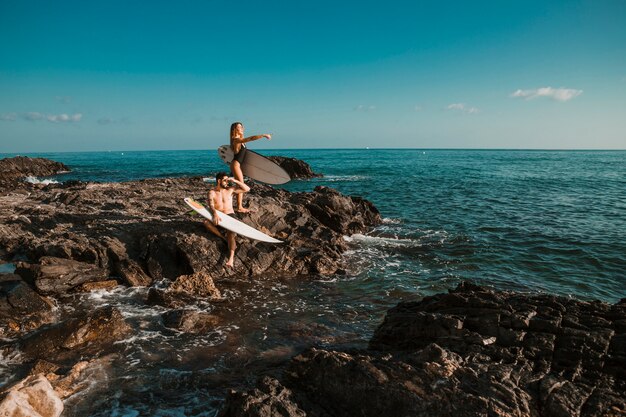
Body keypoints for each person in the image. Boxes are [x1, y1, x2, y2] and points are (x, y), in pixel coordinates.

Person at [204, 172, 250, 267]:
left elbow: (247, 189)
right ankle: (222, 237)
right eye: (225, 180)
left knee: (231, 233)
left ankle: (231, 259)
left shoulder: (231, 190)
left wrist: (235, 180)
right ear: (219, 181)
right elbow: (211, 205)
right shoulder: (211, 193)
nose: (227, 182)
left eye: (227, 180)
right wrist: (215, 214)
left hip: (230, 216)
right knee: (205, 222)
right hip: (219, 216)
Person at [229, 122, 272, 213]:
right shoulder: (235, 139)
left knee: (240, 185)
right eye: (239, 127)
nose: (242, 128)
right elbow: (251, 138)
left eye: (242, 127)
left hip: (238, 165)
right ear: (234, 129)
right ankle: (234, 201)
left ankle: (238, 205)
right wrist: (263, 135)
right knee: (241, 185)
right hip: (235, 165)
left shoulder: (239, 139)